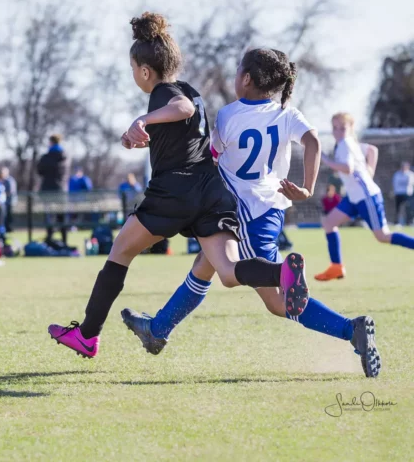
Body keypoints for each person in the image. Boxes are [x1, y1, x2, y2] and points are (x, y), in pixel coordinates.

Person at [48, 14, 312, 364]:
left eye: (132, 68)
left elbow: (179, 109)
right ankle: (282, 272)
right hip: (211, 192)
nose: (134, 75)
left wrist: (142, 120)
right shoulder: (191, 90)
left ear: (144, 70)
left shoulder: (166, 93)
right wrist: (140, 138)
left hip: (175, 191)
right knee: (230, 273)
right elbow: (185, 128)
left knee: (121, 252)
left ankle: (87, 336)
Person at [122, 48, 380, 378]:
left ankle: (351, 329)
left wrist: (158, 146)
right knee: (205, 265)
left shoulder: (229, 115)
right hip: (271, 210)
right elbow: (313, 142)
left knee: (276, 301)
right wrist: (307, 188)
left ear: (246, 79)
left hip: (240, 210)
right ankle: (157, 329)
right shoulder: (287, 114)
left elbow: (208, 155)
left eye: (236, 72)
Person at [316, 112, 414, 281]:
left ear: (351, 128)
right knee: (329, 223)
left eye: (343, 127)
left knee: (382, 236)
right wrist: (370, 170)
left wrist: (324, 159)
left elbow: (348, 168)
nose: (338, 131)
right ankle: (336, 267)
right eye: (335, 128)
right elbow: (372, 150)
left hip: (367, 196)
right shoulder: (348, 143)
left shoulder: (346, 143)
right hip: (354, 198)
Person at [38, 134, 69, 246]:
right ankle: (64, 241)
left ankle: (50, 239)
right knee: (61, 217)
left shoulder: (46, 157)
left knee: (49, 216)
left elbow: (40, 171)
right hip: (61, 190)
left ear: (51, 142)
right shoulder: (65, 156)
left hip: (48, 190)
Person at [392, 161, 414, 226]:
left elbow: (411, 184)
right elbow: (395, 184)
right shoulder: (397, 174)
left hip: (408, 194)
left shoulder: (411, 174)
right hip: (398, 193)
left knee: (409, 208)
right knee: (398, 209)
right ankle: (397, 222)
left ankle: (409, 222)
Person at [1, 168, 18, 233]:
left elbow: (11, 191)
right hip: (6, 201)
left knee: (8, 216)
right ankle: (6, 228)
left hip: (10, 201)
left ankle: (9, 228)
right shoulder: (4, 180)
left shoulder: (9, 180)